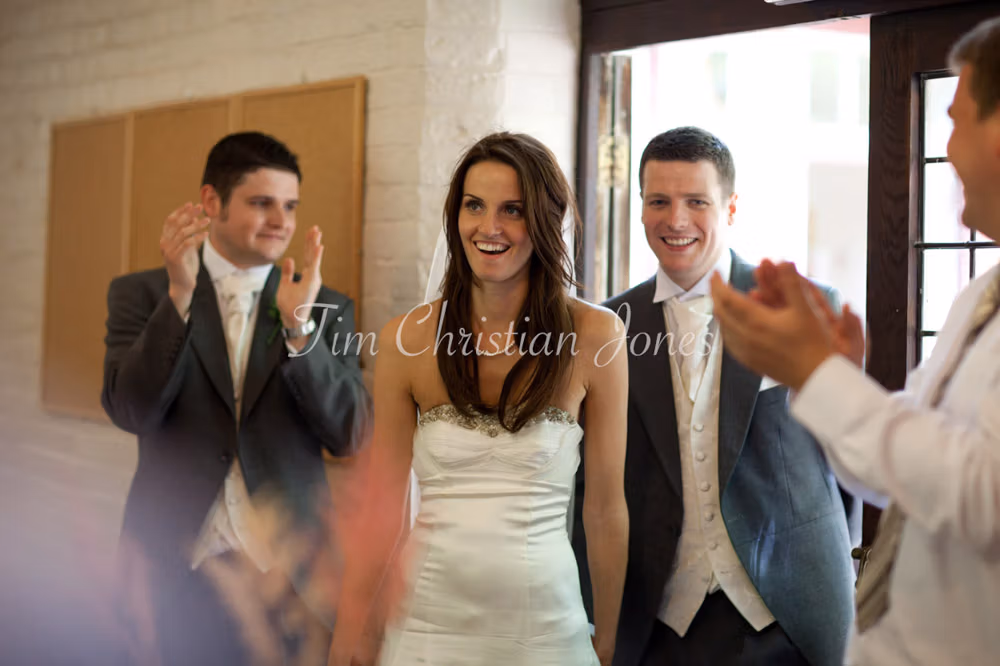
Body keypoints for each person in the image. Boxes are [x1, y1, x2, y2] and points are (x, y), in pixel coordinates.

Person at [710, 18, 1000, 666]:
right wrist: (842, 381)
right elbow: (897, 480)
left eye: (956, 119)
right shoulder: (977, 299)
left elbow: (983, 496)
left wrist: (821, 377)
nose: (945, 148)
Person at [329, 131, 629, 666]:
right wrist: (349, 633)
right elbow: (382, 509)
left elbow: (605, 508)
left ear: (545, 219)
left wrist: (606, 638)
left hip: (547, 633)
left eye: (512, 210)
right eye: (474, 206)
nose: (489, 228)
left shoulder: (598, 337)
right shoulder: (407, 339)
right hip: (424, 629)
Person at [574, 126, 861, 666]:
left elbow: (848, 460)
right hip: (657, 622)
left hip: (791, 620)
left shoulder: (801, 305)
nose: (675, 220)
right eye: (659, 201)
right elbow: (591, 482)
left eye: (696, 202)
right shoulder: (608, 325)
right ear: (640, 209)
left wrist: (848, 580)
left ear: (730, 209)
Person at [101, 131, 371, 665]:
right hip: (170, 562)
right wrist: (179, 298)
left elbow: (352, 434)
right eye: (261, 202)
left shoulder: (326, 308)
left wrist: (299, 332)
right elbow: (131, 411)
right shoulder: (143, 294)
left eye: (290, 206)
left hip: (291, 576)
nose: (282, 221)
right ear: (211, 202)